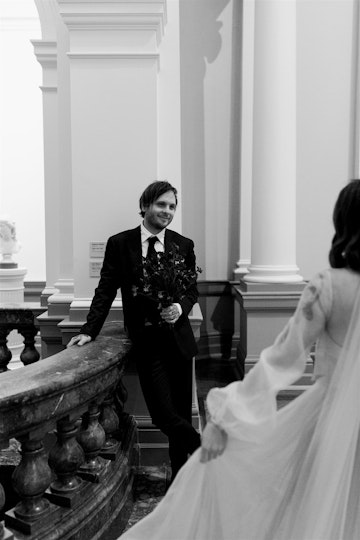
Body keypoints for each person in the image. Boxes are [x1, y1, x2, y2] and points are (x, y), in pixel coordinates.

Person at [118, 179, 360, 540]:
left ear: (342, 222)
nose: (167, 211)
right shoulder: (122, 244)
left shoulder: (328, 285)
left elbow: (281, 360)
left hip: (332, 418)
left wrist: (227, 417)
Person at [68, 180, 201, 481]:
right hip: (147, 342)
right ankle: (209, 448)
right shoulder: (120, 244)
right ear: (144, 206)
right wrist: (90, 329)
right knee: (162, 414)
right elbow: (105, 290)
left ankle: (180, 480)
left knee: (180, 412)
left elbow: (192, 289)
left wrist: (180, 307)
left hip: (179, 341)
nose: (167, 211)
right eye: (161, 205)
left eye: (172, 206)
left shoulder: (183, 244)